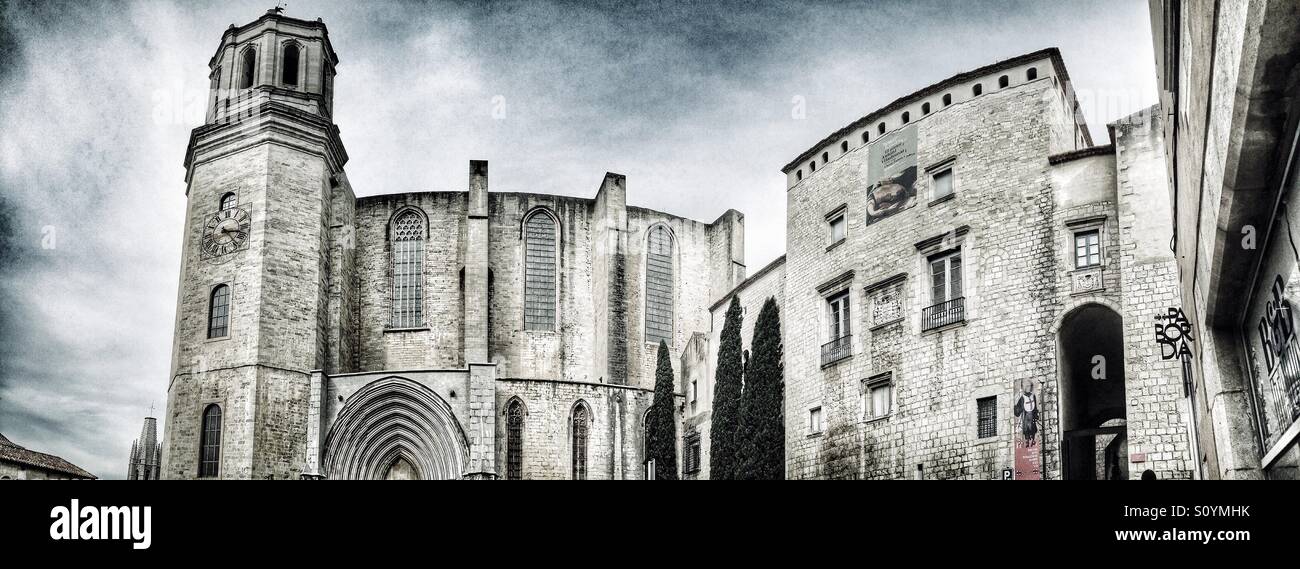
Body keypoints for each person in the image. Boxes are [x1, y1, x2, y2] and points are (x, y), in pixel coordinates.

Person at [1013, 379, 1038, 445]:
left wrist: (1036, 415)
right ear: (1024, 388)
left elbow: (1035, 407)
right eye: (1026, 386)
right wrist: (1016, 406)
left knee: (1033, 428)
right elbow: (1019, 409)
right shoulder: (1022, 398)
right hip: (1026, 416)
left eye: (1029, 386)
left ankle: (1033, 440)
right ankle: (1027, 441)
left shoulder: (1033, 396)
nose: (1028, 388)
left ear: (1031, 387)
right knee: (1026, 428)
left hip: (1032, 415)